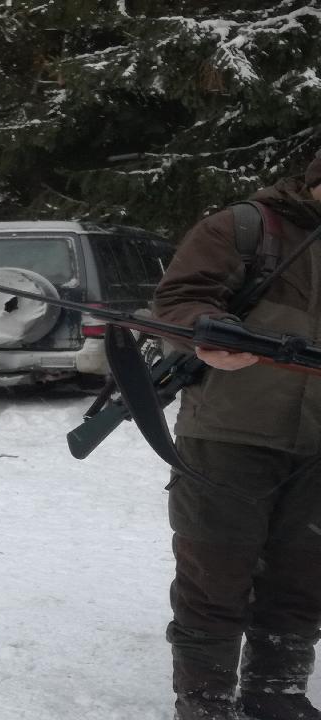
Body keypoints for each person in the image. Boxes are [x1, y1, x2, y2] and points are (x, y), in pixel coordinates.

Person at [152, 154, 321, 720]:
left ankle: (276, 692)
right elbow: (179, 299)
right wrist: (209, 331)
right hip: (230, 432)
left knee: (304, 575)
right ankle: (206, 700)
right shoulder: (246, 227)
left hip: (318, 446)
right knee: (215, 572)